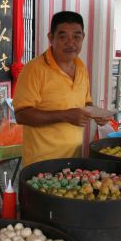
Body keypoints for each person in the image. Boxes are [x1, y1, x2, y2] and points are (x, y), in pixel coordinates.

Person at [13, 11, 108, 166]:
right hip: (41, 164)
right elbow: (21, 115)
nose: (70, 43)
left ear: (83, 37)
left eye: (76, 36)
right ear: (51, 38)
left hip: (73, 159)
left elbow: (85, 103)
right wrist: (65, 116)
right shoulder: (34, 69)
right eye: (63, 36)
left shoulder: (81, 67)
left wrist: (97, 114)